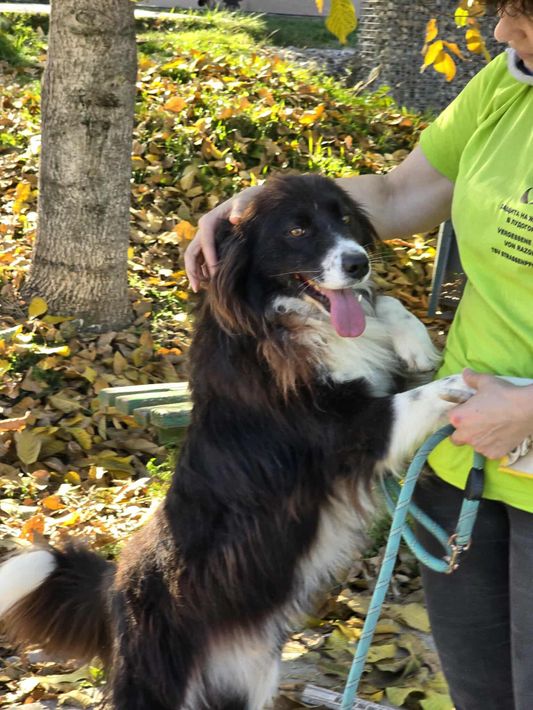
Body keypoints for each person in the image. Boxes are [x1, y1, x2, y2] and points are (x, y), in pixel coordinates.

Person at [185, 2, 533, 708]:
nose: (501, 34)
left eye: (525, 19)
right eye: (502, 12)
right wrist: (254, 204)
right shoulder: (508, 83)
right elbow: (400, 193)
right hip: (459, 457)